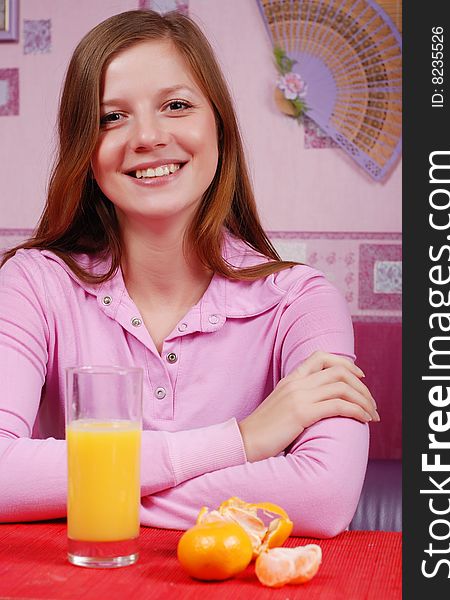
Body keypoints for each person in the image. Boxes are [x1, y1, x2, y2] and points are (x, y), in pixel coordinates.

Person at [0, 9, 378, 536]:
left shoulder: (302, 303)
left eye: (176, 106)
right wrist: (241, 441)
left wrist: (86, 494)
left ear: (218, 126)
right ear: (84, 149)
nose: (148, 136)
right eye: (112, 117)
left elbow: (322, 498)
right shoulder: (33, 283)